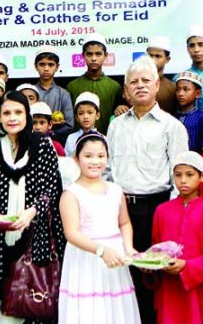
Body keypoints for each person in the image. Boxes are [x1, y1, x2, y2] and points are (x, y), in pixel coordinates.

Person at [107, 56, 189, 324]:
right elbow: (108, 169)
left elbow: (179, 176)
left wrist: (174, 216)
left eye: (145, 81)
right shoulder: (116, 125)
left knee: (154, 276)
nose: (139, 86)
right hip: (120, 210)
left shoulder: (172, 126)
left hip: (156, 208)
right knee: (123, 275)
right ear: (126, 90)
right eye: (134, 82)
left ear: (157, 85)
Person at [0, 91, 64, 324]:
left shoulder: (43, 146)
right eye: (6, 113)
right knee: (5, 302)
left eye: (18, 112)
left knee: (36, 301)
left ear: (27, 115)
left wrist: (32, 211)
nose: (12, 118)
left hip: (38, 237)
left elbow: (51, 189)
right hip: (3, 237)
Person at [58, 131, 140, 323]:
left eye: (100, 156)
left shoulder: (115, 190)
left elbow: (124, 222)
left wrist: (128, 248)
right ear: (76, 159)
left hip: (116, 259)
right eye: (88, 156)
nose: (95, 162)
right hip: (86, 259)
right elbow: (71, 233)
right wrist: (101, 250)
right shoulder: (71, 194)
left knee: (115, 311)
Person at [149, 151, 203, 324]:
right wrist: (150, 265)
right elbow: (156, 248)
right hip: (168, 287)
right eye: (178, 175)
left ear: (202, 177)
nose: (183, 180)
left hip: (197, 289)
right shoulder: (162, 211)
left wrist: (187, 266)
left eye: (189, 175)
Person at [67, 34, 125, 134]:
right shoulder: (72, 86)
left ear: (105, 55)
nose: (93, 58)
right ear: (83, 56)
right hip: (79, 142)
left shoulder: (114, 87)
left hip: (107, 141)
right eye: (89, 54)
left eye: (98, 54)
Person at [33, 45, 74, 144]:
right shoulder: (31, 92)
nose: (46, 69)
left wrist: (50, 133)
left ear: (57, 67)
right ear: (35, 66)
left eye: (50, 65)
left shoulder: (64, 94)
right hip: (32, 142)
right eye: (42, 64)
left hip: (58, 144)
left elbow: (70, 125)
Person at [173, 71, 203, 154]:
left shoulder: (201, 118)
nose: (180, 93)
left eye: (186, 89)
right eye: (178, 90)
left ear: (197, 93)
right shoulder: (172, 117)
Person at [146, 36, 179, 115]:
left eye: (158, 56)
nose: (153, 60)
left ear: (167, 59)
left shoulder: (173, 88)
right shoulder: (137, 83)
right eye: (150, 55)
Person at [63, 92, 101, 156]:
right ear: (76, 117)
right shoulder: (71, 139)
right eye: (81, 113)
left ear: (97, 115)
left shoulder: (103, 139)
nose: (85, 116)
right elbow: (67, 161)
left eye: (90, 112)